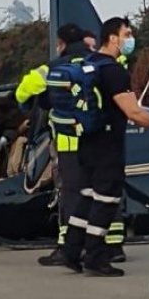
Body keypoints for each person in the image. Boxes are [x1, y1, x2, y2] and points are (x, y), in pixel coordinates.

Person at [60, 16, 149, 277]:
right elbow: (134, 112)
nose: (130, 39)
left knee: (87, 196)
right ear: (113, 38)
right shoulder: (114, 71)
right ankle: (95, 257)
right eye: (127, 34)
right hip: (107, 145)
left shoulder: (89, 64)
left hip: (86, 140)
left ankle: (71, 251)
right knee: (107, 199)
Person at [14, 23, 89, 266]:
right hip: (97, 140)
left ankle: (67, 245)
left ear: (61, 44)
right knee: (96, 191)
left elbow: (23, 91)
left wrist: (26, 106)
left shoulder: (54, 67)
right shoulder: (98, 63)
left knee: (69, 192)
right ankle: (100, 245)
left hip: (68, 142)